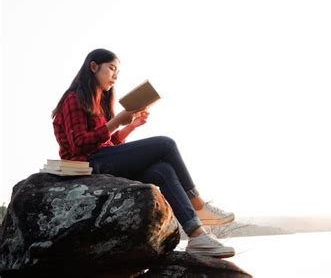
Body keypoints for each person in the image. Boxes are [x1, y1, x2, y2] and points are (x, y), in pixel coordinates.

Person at [51, 48, 235, 258]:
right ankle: (199, 204)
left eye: (117, 73)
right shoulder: (74, 99)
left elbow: (109, 144)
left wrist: (131, 126)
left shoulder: (98, 103)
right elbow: (79, 145)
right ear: (93, 67)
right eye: (111, 69)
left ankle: (197, 235)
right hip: (88, 165)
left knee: (162, 170)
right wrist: (117, 121)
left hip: (102, 160)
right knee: (165, 144)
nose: (115, 76)